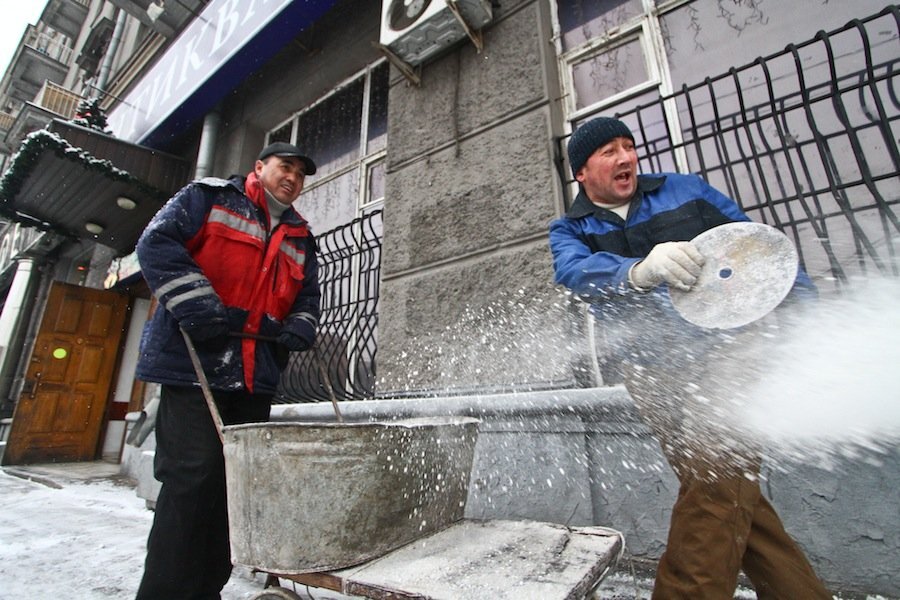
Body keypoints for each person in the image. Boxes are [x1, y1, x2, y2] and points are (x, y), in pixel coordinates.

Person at [549, 117, 831, 599]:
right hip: (653, 375)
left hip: (727, 354)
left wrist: (809, 320)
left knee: (715, 481)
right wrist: (637, 270)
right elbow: (574, 273)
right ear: (582, 172)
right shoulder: (569, 230)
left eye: (628, 146)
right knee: (725, 494)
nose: (626, 158)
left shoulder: (684, 191)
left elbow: (758, 250)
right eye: (609, 152)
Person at [134, 142, 321, 600]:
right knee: (192, 481)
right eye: (285, 168)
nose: (292, 178)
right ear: (260, 167)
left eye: (300, 173)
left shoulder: (300, 235)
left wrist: (301, 323)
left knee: (233, 492)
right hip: (195, 368)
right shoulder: (209, 198)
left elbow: (309, 296)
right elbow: (155, 243)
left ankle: (205, 591)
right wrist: (197, 302)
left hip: (255, 375)